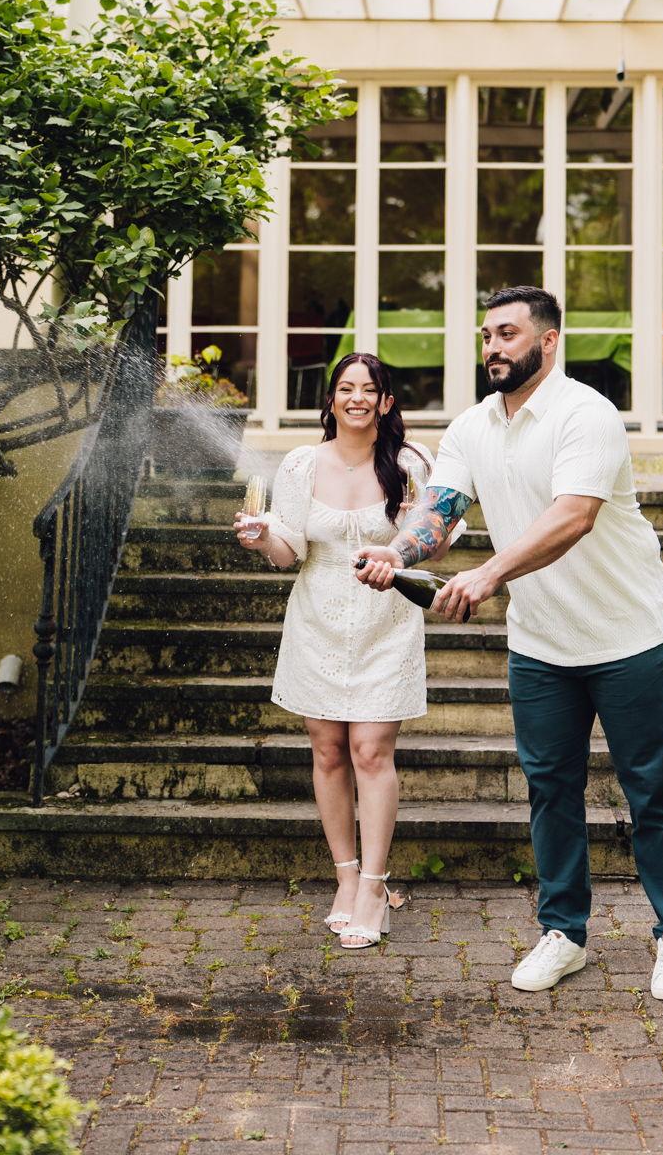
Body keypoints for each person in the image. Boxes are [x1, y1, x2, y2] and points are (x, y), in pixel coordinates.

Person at [355, 285, 663, 1000]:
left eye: (508, 334)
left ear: (548, 342)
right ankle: (563, 933)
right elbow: (441, 509)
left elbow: (573, 516)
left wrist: (487, 574)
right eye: (487, 335)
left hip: (627, 635)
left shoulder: (586, 414)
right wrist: (398, 552)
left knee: (651, 787)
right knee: (550, 790)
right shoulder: (472, 427)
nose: (493, 347)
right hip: (541, 645)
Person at [233, 351, 439, 950]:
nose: (356, 398)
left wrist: (412, 536)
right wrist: (261, 538)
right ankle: (345, 879)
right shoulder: (301, 464)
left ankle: (374, 886)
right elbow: (289, 551)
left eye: (369, 389)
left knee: (370, 751)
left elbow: (436, 543)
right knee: (327, 752)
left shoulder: (411, 463)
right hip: (317, 620)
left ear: (386, 402)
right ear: (331, 399)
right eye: (346, 388)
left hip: (386, 620)